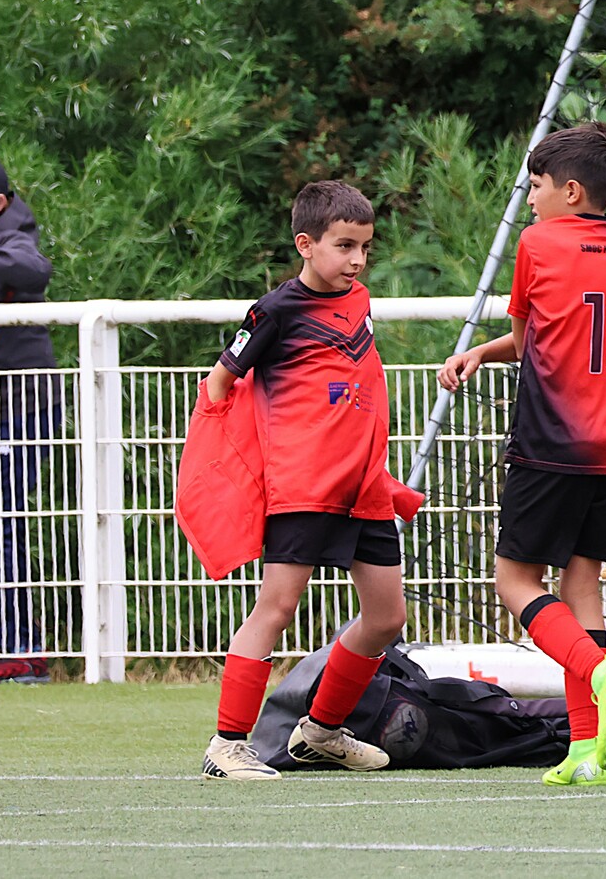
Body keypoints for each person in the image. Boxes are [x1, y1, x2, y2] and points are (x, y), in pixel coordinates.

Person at [435, 122, 606, 787]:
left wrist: (484, 347)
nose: (529, 199)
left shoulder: (538, 243)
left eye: (536, 186)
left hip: (556, 440)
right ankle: (587, 749)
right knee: (581, 582)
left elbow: (530, 340)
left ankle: (601, 670)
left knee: (514, 579)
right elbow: (582, 328)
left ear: (571, 190)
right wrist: (481, 351)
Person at [199, 181, 411, 780]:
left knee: (386, 618)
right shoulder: (275, 311)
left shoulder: (359, 301)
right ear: (305, 244)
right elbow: (220, 386)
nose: (357, 260)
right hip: (305, 488)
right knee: (277, 606)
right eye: (344, 246)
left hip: (364, 488)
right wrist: (257, 462)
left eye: (365, 247)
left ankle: (319, 732)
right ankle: (227, 745)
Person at [0, 154, 62, 685]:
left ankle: (19, 651)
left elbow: (34, 269)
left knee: (3, 524)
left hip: (17, 405)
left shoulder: (15, 235)